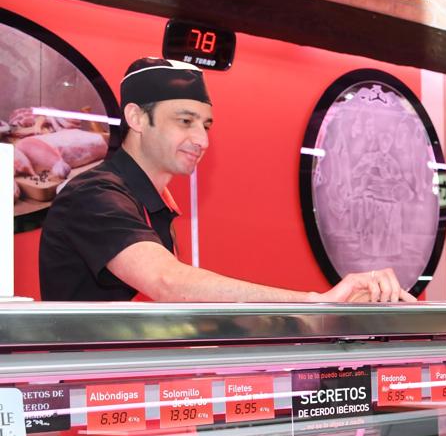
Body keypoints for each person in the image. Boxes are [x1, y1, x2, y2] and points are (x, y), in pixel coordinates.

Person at [39, 57, 414, 302]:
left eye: (206, 125)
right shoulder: (96, 194)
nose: (201, 140)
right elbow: (169, 284)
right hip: (88, 402)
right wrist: (318, 301)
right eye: (184, 121)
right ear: (137, 118)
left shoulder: (153, 199)